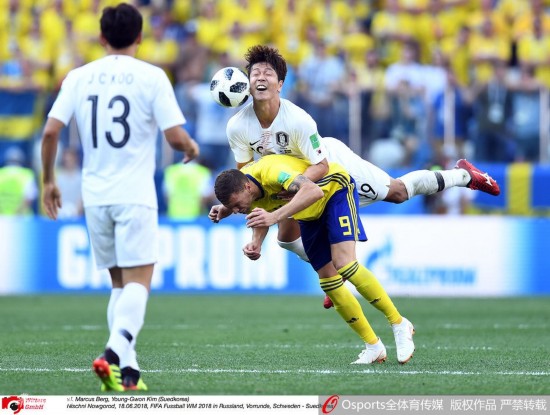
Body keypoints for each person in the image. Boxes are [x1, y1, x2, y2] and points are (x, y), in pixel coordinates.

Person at [209, 45, 501, 309]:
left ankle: (463, 175)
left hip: (332, 166)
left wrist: (298, 187)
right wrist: (234, 212)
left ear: (280, 84)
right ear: (247, 83)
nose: (261, 77)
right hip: (288, 182)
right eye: (255, 73)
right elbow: (247, 181)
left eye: (268, 73)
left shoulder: (298, 119)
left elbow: (321, 166)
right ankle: (331, 275)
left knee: (398, 193)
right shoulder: (237, 127)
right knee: (285, 237)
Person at [40, 3, 199, 392]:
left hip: (95, 196)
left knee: (119, 285)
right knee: (139, 283)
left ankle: (128, 374)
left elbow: (50, 132)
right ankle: (112, 353)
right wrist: (190, 147)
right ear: (140, 37)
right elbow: (174, 136)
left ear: (101, 37)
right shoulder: (152, 76)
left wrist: (48, 181)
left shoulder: (79, 77)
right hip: (134, 194)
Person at [212, 154, 415, 365]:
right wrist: (256, 242)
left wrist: (275, 217)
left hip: (334, 191)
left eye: (236, 205)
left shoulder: (272, 172)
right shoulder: (247, 191)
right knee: (329, 283)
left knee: (345, 265)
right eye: (231, 208)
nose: (236, 211)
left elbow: (313, 190)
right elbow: (263, 211)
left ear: (247, 187)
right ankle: (373, 346)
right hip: (308, 213)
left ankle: (399, 323)